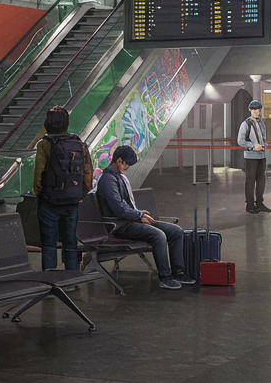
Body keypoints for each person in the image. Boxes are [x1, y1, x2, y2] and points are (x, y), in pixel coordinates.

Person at [96, 145, 195, 289]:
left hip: (130, 220)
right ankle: (165, 277)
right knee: (158, 235)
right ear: (119, 161)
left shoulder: (118, 177)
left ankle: (178, 272)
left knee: (176, 231)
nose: (127, 167)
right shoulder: (107, 180)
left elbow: (124, 205)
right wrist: (138, 215)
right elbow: (119, 208)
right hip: (119, 226)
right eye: (127, 164)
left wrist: (138, 213)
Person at [32, 105, 93, 270]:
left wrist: (39, 192)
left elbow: (39, 173)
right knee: (70, 242)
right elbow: (88, 171)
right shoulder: (78, 143)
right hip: (72, 201)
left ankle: (51, 278)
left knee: (49, 244)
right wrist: (80, 193)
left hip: (49, 202)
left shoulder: (44, 144)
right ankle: (71, 277)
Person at [236, 100, 271, 214]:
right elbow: (240, 141)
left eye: (258, 110)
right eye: (254, 110)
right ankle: (250, 204)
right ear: (250, 110)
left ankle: (259, 203)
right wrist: (252, 146)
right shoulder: (245, 124)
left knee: (261, 180)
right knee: (250, 181)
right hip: (251, 157)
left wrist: (264, 145)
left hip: (261, 155)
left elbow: (263, 138)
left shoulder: (261, 123)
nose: (256, 112)